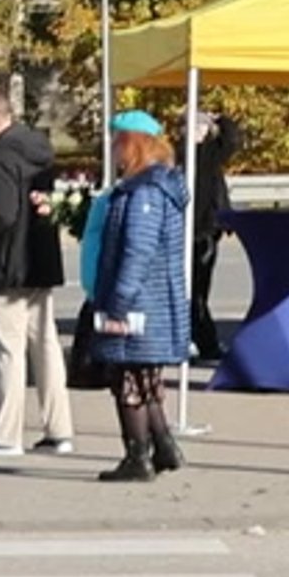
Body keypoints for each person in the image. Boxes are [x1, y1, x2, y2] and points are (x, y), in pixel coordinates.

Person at [0, 87, 75, 458]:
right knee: (46, 348)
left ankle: (7, 434)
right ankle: (59, 429)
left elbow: (1, 214)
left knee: (6, 351)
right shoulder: (40, 149)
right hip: (39, 260)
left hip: (3, 266)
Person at [91, 110, 190, 483]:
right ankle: (163, 447)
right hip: (153, 302)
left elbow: (138, 250)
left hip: (140, 303)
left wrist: (118, 301)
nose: (113, 150)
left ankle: (137, 457)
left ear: (133, 144)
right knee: (145, 377)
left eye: (117, 141)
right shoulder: (155, 187)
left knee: (127, 379)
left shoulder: (144, 193)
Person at [189, 112, 243, 362]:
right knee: (190, 291)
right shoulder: (179, 154)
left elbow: (232, 139)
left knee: (198, 290)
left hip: (205, 229)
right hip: (186, 229)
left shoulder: (211, 152)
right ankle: (201, 341)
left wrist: (219, 119)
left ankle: (204, 341)